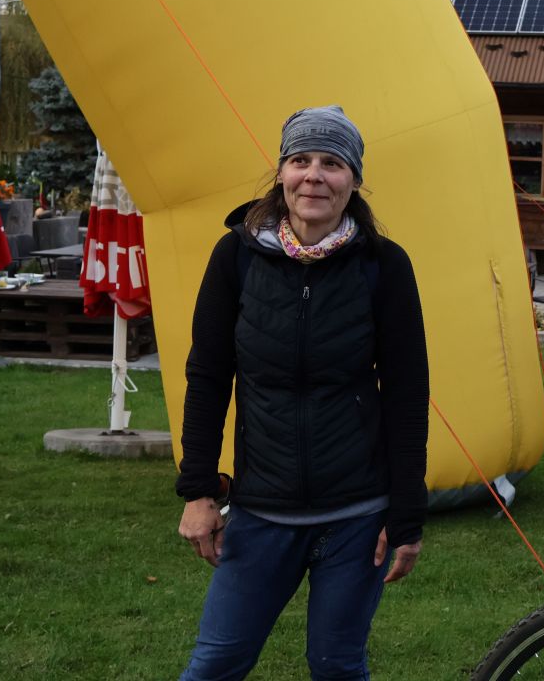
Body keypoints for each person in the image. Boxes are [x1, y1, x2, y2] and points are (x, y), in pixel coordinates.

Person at [175, 105, 430, 680]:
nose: (314, 175)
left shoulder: (383, 266)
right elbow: (208, 376)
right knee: (215, 664)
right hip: (261, 511)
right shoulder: (236, 256)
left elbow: (407, 392)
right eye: (301, 160)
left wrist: (407, 512)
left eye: (332, 163)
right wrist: (198, 490)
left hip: (357, 516)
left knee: (337, 666)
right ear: (281, 173)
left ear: (354, 180)